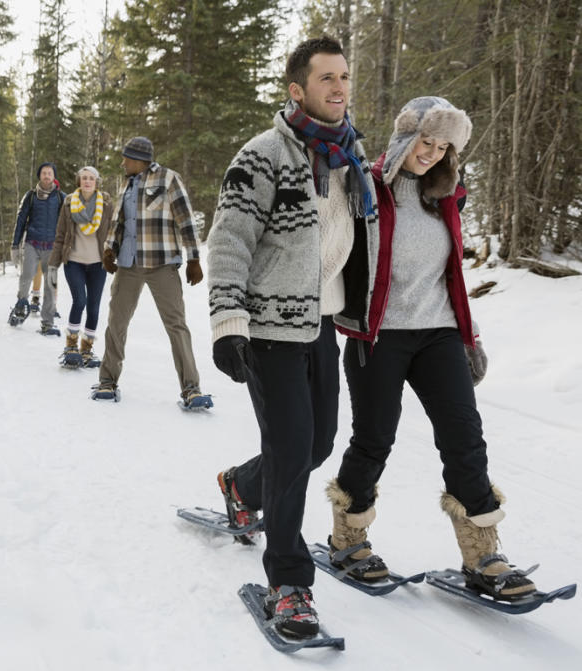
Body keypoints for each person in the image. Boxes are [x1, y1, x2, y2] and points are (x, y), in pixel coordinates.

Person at [324, 96, 536, 600]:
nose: (433, 153)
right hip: (379, 334)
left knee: (465, 437)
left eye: (444, 147)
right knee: (374, 439)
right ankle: (347, 539)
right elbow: (332, 249)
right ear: (405, 137)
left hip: (438, 331)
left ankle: (482, 554)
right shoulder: (366, 186)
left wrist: (470, 336)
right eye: (427, 141)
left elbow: (452, 274)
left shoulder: (447, 194)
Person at [206, 36, 378, 639]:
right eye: (326, 78)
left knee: (318, 443)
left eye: (345, 77)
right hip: (269, 331)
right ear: (296, 89)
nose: (339, 87)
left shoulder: (350, 158)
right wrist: (228, 323)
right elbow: (228, 242)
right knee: (292, 446)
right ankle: (289, 583)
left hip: (322, 325)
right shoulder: (262, 156)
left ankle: (240, 484)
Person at [92, 136, 209, 408]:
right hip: (128, 265)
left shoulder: (168, 179)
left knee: (176, 325)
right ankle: (107, 381)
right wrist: (110, 249)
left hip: (161, 264)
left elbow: (186, 220)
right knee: (116, 323)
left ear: (140, 160)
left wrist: (193, 259)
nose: (123, 163)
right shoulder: (127, 184)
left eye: (127, 159)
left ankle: (191, 389)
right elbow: (117, 222)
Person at [49, 166, 114, 367]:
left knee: (94, 308)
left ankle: (86, 349)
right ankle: (71, 346)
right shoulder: (69, 203)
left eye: (91, 179)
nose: (87, 181)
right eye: (84, 178)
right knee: (80, 301)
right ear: (79, 181)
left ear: (96, 182)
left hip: (98, 264)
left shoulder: (106, 204)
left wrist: (113, 255)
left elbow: (113, 232)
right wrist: (53, 264)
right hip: (74, 262)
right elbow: (60, 236)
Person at [10, 162, 65, 334]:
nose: (47, 176)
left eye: (50, 173)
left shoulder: (61, 197)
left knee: (51, 282)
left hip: (53, 247)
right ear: (39, 176)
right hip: (32, 243)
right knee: (27, 275)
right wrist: (14, 245)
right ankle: (20, 305)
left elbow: (67, 224)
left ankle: (47, 322)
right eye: (44, 173)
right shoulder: (31, 196)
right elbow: (21, 220)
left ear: (54, 176)